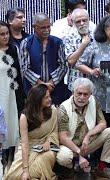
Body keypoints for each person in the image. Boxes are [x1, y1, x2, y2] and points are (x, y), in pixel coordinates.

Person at [57, 78, 110, 178]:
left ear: (90, 94)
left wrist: (88, 136)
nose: (82, 97)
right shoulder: (64, 108)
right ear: (73, 92)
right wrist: (79, 153)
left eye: (85, 94)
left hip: (86, 144)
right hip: (70, 146)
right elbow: (63, 138)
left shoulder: (93, 101)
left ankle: (101, 168)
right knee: (64, 157)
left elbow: (103, 123)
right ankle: (71, 169)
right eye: (79, 93)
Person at [3, 84, 59, 180]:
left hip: (47, 146)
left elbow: (54, 132)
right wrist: (25, 170)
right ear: (37, 99)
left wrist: (48, 141)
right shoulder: (25, 117)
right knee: (14, 174)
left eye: (49, 96)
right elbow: (25, 144)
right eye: (46, 97)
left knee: (45, 159)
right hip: (28, 146)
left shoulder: (53, 111)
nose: (50, 99)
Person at [20, 13, 70, 105]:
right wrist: (41, 84)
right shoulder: (26, 43)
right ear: (34, 27)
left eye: (48, 27)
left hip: (55, 89)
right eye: (43, 28)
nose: (47, 30)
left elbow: (63, 66)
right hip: (34, 90)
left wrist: (51, 83)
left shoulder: (58, 42)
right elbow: (24, 68)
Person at [0, 21, 23, 171]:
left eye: (7, 33)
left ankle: (10, 162)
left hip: (13, 95)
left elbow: (19, 74)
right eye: (2, 34)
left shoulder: (14, 49)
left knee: (12, 127)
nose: (5, 36)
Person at [64, 8, 94, 91]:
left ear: (89, 20)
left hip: (94, 82)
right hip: (76, 82)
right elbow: (71, 61)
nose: (82, 23)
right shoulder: (69, 38)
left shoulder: (96, 36)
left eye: (84, 20)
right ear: (73, 23)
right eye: (78, 21)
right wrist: (83, 45)